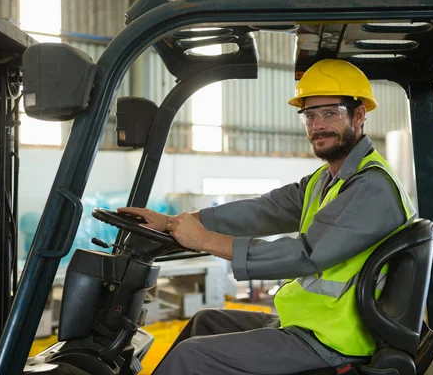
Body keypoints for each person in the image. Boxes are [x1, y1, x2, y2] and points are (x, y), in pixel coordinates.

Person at [118, 59, 416, 374]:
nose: (318, 125)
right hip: (310, 322)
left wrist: (204, 240)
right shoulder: (327, 180)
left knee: (192, 357)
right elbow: (263, 210)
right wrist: (171, 223)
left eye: (331, 113)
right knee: (205, 322)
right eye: (310, 115)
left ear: (359, 115)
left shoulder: (372, 187)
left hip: (336, 340)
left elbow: (306, 254)